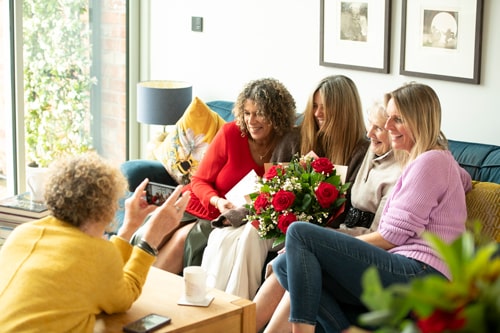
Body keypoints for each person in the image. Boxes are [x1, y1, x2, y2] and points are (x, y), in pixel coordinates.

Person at [272, 82, 472, 333]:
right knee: (285, 265)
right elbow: (462, 179)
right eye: (388, 119)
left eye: (397, 120)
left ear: (419, 121)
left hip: (422, 275)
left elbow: (391, 236)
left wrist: (325, 246)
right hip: (404, 267)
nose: (388, 127)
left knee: (299, 233)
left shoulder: (431, 161)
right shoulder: (430, 159)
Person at [200, 75, 370, 300]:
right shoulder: (295, 138)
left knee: (254, 232)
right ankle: (227, 305)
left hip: (322, 231)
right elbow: (270, 189)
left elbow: (351, 206)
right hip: (282, 220)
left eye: (326, 108)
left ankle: (236, 310)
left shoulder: (361, 151)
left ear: (344, 110)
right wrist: (238, 214)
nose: (318, 113)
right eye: (315, 106)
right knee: (239, 233)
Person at [254, 100, 402, 332]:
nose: (369, 134)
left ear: (395, 131)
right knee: (292, 259)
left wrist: (320, 241)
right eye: (370, 125)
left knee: (296, 260)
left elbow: (379, 236)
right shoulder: (371, 152)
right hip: (344, 235)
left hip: (366, 251)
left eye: (379, 129)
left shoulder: (402, 170)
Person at [0, 152, 190, 332]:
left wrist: (130, 226)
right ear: (108, 208)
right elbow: (124, 296)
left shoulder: (23, 233)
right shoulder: (96, 253)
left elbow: (100, 272)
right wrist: (151, 239)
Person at [146, 77, 301, 278]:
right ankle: (129, 289)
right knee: (152, 234)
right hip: (201, 200)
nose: (251, 121)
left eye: (259, 114)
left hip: (226, 215)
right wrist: (216, 200)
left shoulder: (287, 145)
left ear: (276, 116)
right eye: (247, 113)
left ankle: (147, 295)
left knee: (180, 240)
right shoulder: (231, 133)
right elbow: (199, 180)